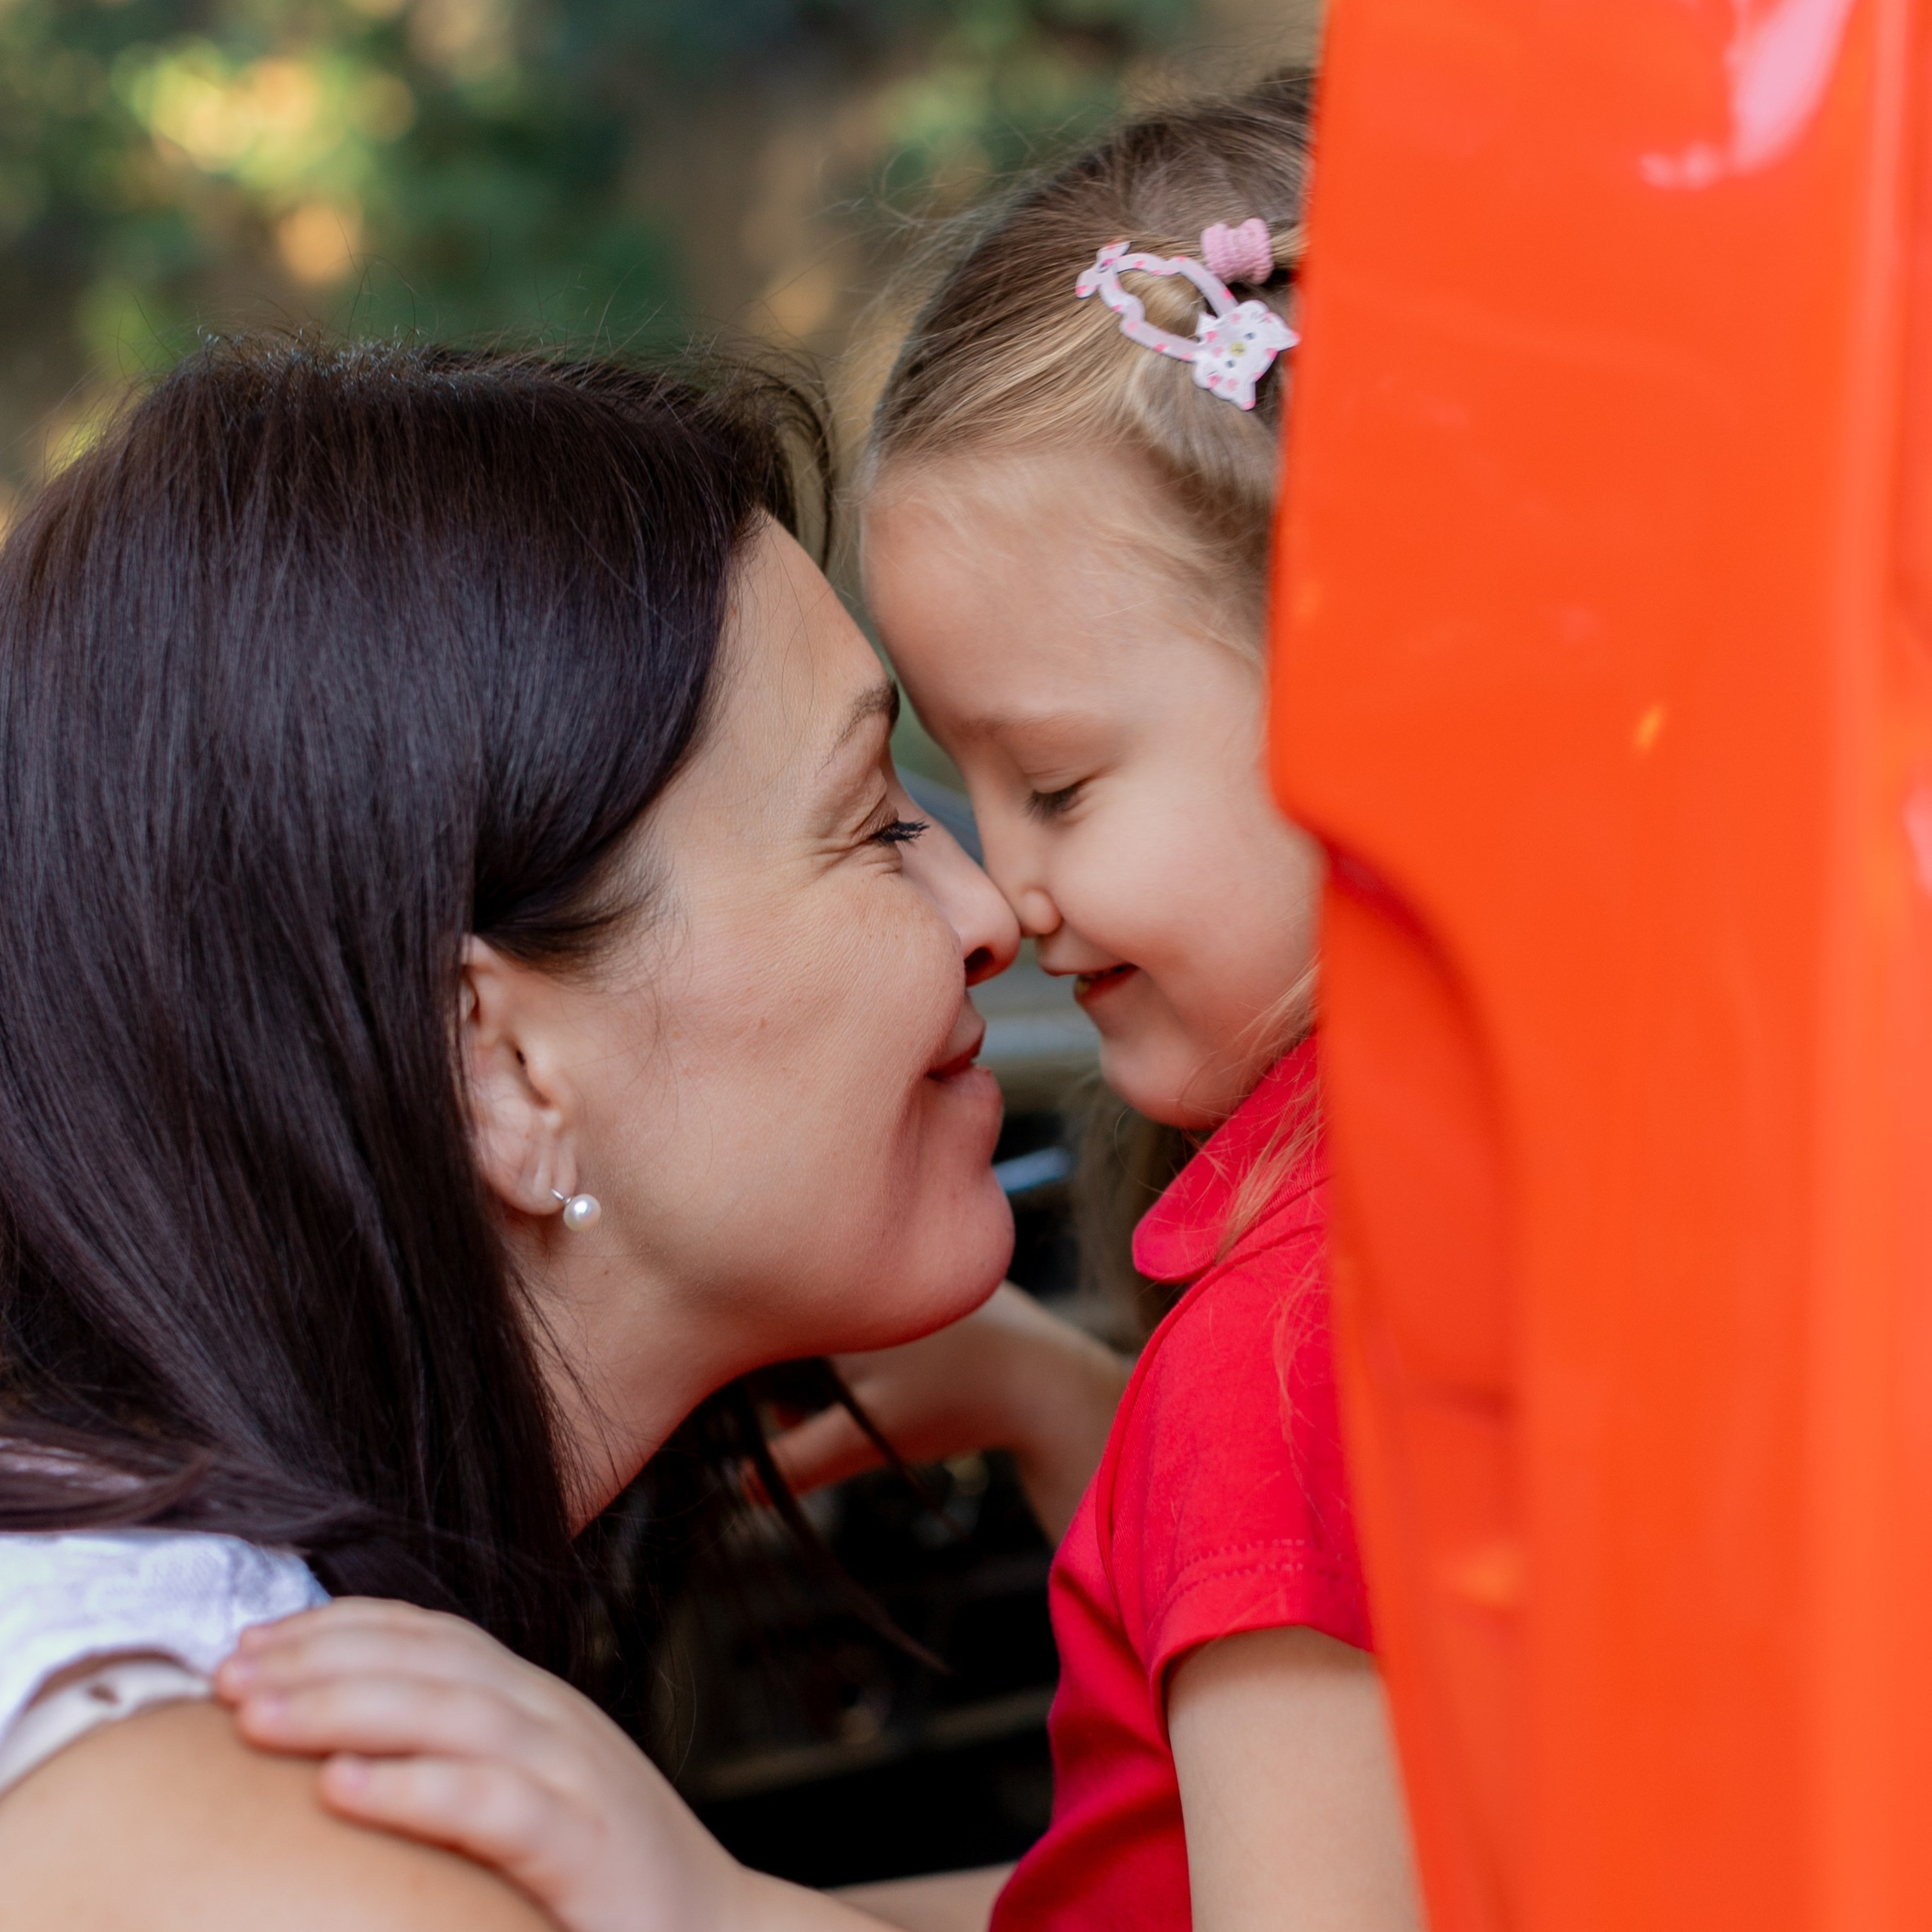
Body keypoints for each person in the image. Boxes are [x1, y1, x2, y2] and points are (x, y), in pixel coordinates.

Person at [211, 70, 1422, 1932]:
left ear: (1377, 697)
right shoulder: (1422, 1232)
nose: (999, 898)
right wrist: (1067, 1401)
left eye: (1061, 786)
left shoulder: (1283, 1344)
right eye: (915, 802)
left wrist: (707, 1909)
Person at [0, 337, 1028, 1929]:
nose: (987, 912)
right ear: (502, 1067)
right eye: (870, 823)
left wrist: (1091, 1420)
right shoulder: (284, 1857)